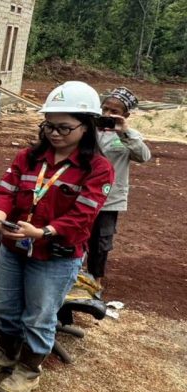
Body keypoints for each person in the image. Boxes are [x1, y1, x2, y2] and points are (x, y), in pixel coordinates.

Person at [0, 81, 114, 392]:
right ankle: (5, 354)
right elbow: (5, 190)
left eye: (64, 127)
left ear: (87, 126)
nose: (55, 133)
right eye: (49, 125)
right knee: (6, 305)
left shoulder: (97, 169)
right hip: (14, 247)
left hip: (54, 257)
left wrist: (43, 232)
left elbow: (83, 216)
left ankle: (28, 371)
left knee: (39, 315)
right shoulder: (29, 157)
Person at [88, 87, 150, 285]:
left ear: (125, 115)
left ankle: (96, 280)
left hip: (110, 198)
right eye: (105, 109)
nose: (107, 114)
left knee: (101, 240)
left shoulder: (129, 136)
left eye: (114, 112)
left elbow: (144, 156)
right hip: (83, 192)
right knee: (74, 233)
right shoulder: (89, 130)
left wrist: (124, 131)